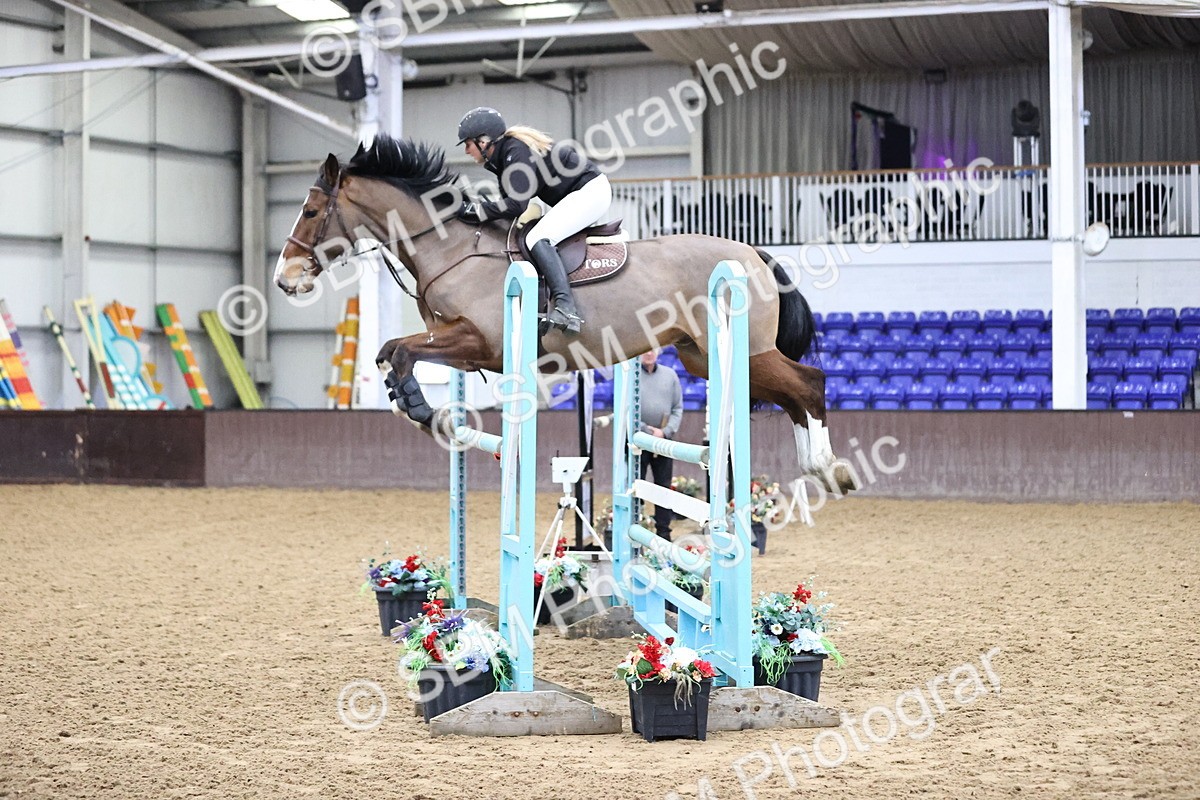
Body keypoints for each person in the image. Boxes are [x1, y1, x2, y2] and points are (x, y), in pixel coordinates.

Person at [455, 107, 612, 335]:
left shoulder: (515, 152)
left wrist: (474, 210)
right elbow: (511, 208)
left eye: (468, 144)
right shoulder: (503, 157)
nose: (467, 151)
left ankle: (566, 308)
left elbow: (516, 205)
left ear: (484, 140)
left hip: (590, 192)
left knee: (538, 238)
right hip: (581, 193)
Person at [637, 349, 683, 541]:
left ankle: (664, 531)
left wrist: (665, 432)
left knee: (663, 486)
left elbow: (677, 408)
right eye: (645, 350)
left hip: (664, 441)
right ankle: (636, 526)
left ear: (658, 352)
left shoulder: (670, 375)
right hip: (638, 439)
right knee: (636, 485)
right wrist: (647, 431)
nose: (649, 353)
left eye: (652, 349)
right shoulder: (632, 377)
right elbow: (626, 409)